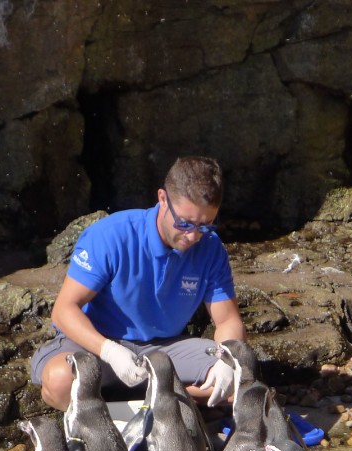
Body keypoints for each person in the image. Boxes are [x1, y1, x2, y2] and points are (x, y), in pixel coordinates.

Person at [30, 156, 246, 411]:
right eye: (184, 223)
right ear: (163, 199)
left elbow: (227, 321)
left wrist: (228, 360)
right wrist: (109, 351)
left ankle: (153, 393)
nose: (192, 236)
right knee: (59, 381)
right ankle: (133, 406)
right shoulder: (111, 235)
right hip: (98, 346)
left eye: (204, 225)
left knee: (242, 379)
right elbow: (64, 310)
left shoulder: (210, 248)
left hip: (165, 349)